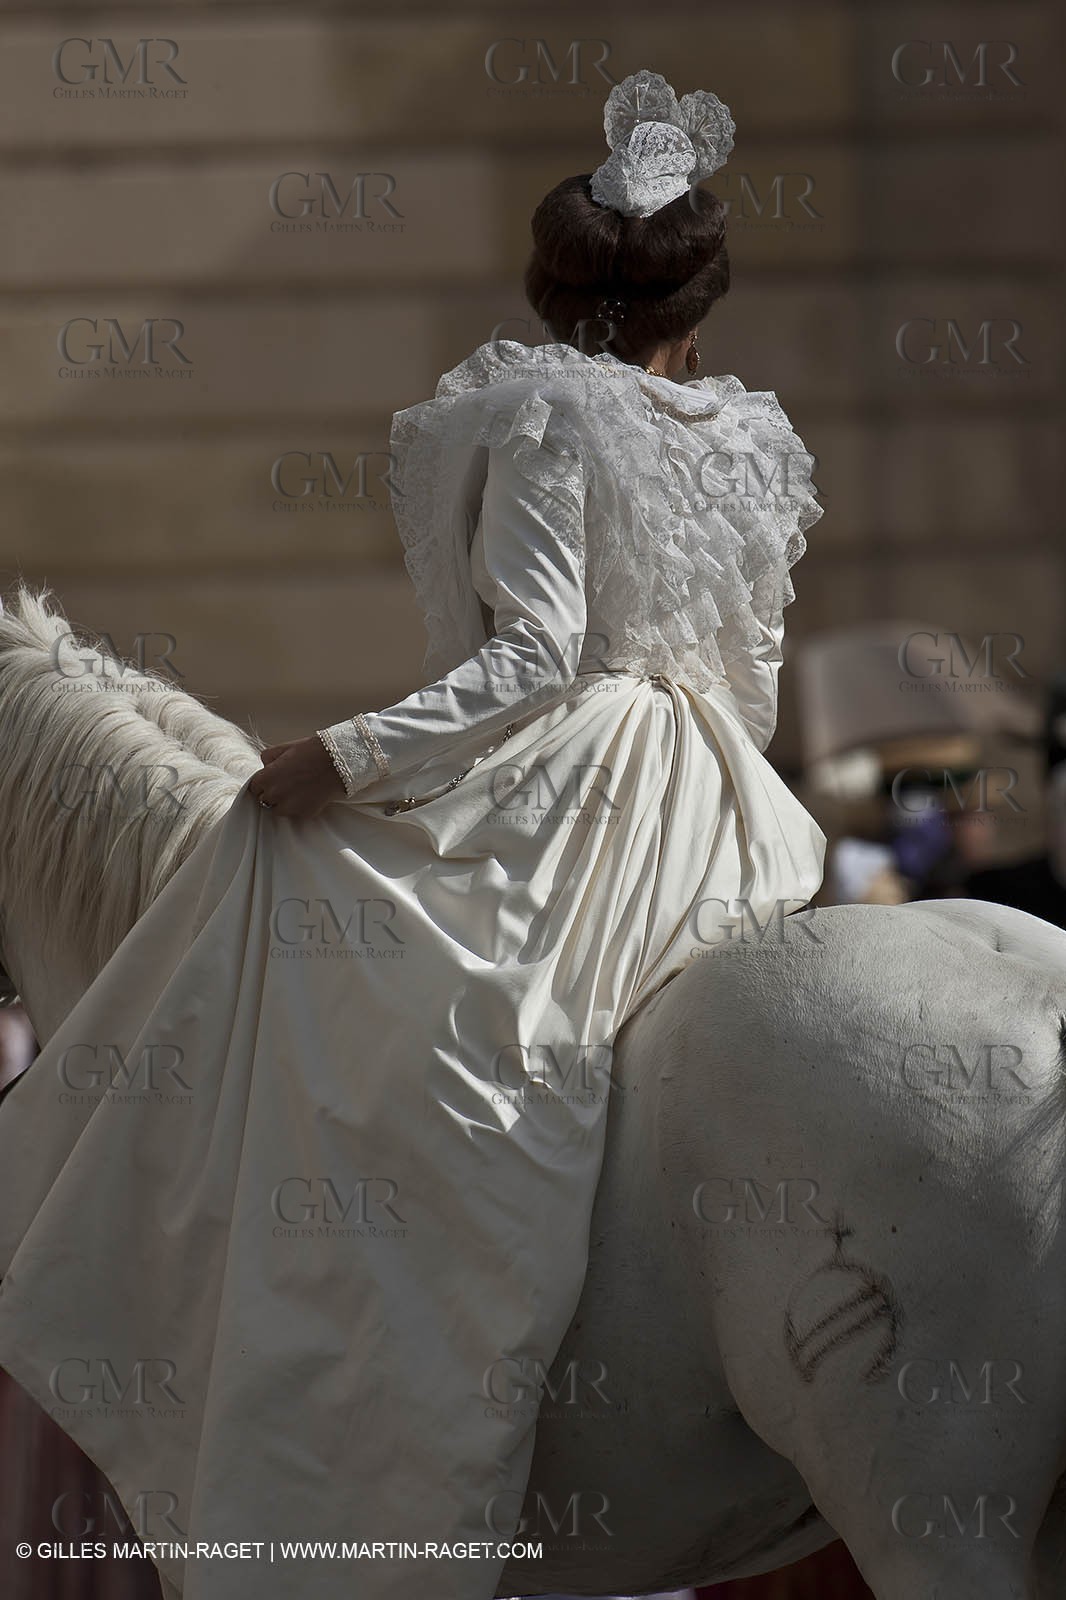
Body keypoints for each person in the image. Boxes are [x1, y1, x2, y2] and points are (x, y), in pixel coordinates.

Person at [0, 69, 825, 1600]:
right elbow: (753, 678)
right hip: (723, 802)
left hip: (581, 773)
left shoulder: (538, 412)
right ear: (692, 310)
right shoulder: (749, 438)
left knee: (307, 934)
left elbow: (529, 660)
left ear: (548, 288)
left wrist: (342, 755)